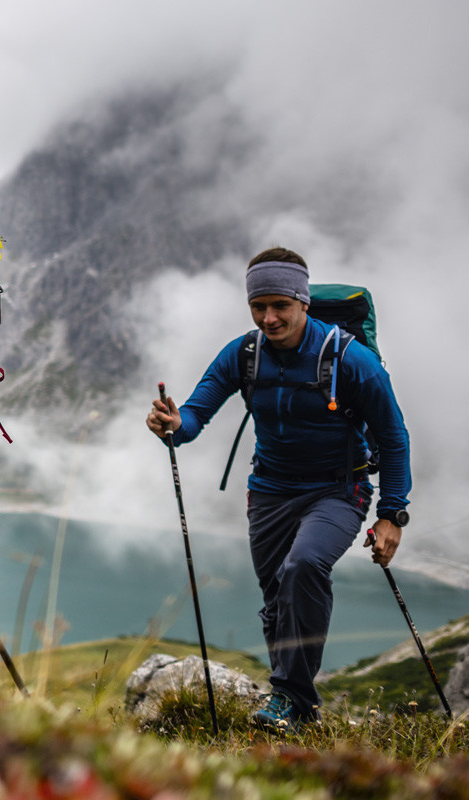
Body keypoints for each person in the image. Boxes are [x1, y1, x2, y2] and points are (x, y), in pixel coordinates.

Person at [146, 247, 411, 731]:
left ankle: (291, 697)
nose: (269, 318)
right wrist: (172, 422)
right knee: (275, 602)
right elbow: (195, 415)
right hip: (269, 490)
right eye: (258, 306)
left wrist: (392, 514)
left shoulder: (351, 361)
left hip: (338, 490)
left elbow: (394, 438)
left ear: (303, 302)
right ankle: (296, 710)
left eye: (280, 306)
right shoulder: (243, 354)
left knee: (304, 566)